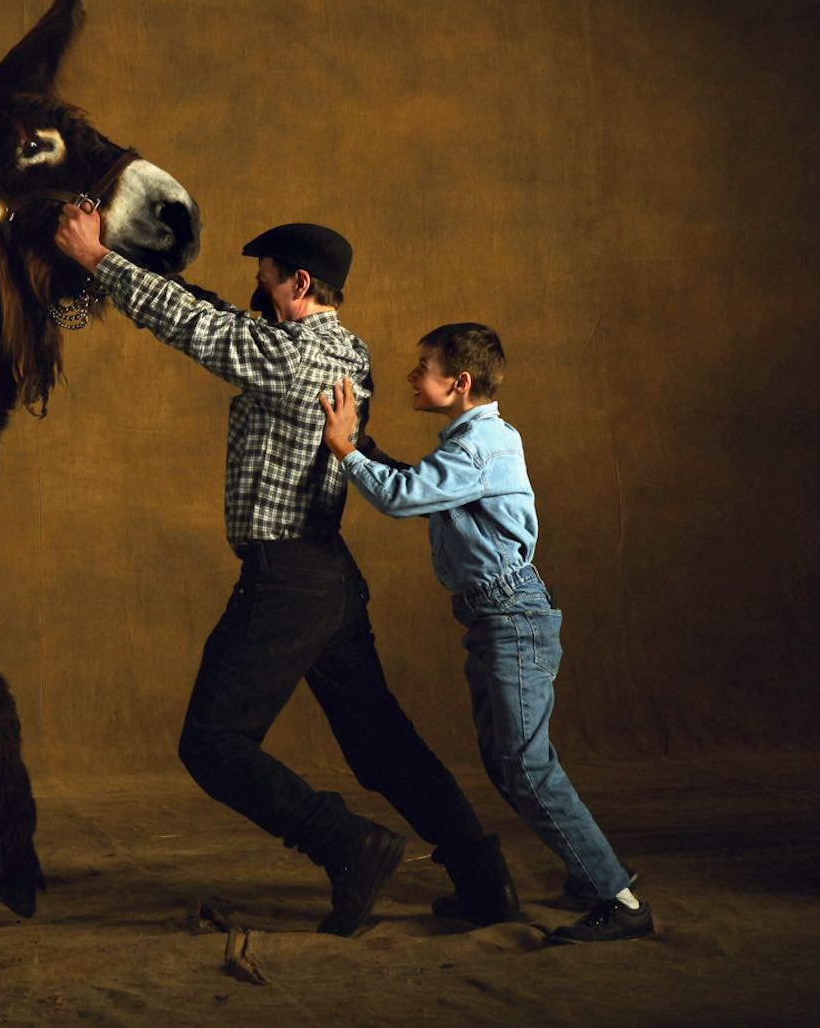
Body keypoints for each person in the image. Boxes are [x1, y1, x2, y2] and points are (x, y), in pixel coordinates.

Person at [54, 208, 514, 937]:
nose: (256, 290)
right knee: (382, 744)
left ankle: (347, 843)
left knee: (212, 740)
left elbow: (193, 324)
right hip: (327, 574)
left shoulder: (291, 355)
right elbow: (222, 315)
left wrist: (96, 258)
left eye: (265, 280)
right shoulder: (345, 350)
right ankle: (486, 880)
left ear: (300, 281)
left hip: (290, 576)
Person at [318, 324, 653, 943]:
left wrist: (346, 450)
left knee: (525, 767)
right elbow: (424, 492)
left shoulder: (477, 446)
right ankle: (592, 873)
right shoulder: (472, 442)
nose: (413, 377)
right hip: (494, 617)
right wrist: (363, 446)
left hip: (512, 619)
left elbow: (400, 498)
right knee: (509, 764)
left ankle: (619, 899)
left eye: (424, 367)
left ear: (460, 382)